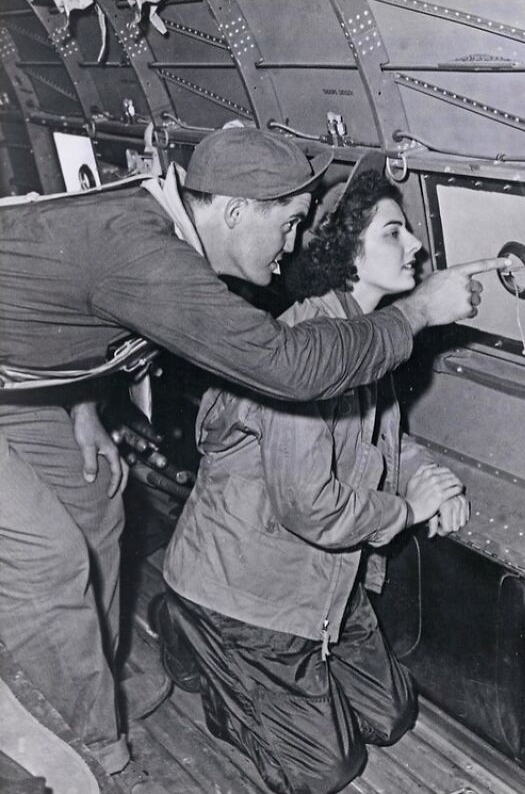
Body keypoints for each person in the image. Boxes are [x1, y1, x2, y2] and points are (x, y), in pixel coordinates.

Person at [0, 126, 507, 777]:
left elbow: (83, 316)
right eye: (289, 222)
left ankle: (97, 675)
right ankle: (86, 747)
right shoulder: (151, 254)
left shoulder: (157, 239)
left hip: (17, 378)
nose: (293, 242)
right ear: (236, 212)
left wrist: (83, 406)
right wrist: (415, 315)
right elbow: (289, 369)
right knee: (48, 558)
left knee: (95, 501)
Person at [161, 169, 474, 794]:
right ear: (346, 252)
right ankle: (202, 650)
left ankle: (249, 669)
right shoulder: (308, 345)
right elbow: (310, 506)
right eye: (394, 232)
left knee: (391, 717)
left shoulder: (364, 340)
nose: (414, 246)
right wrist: (408, 511)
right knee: (328, 769)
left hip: (321, 580)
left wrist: (428, 479)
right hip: (248, 593)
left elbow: (373, 442)